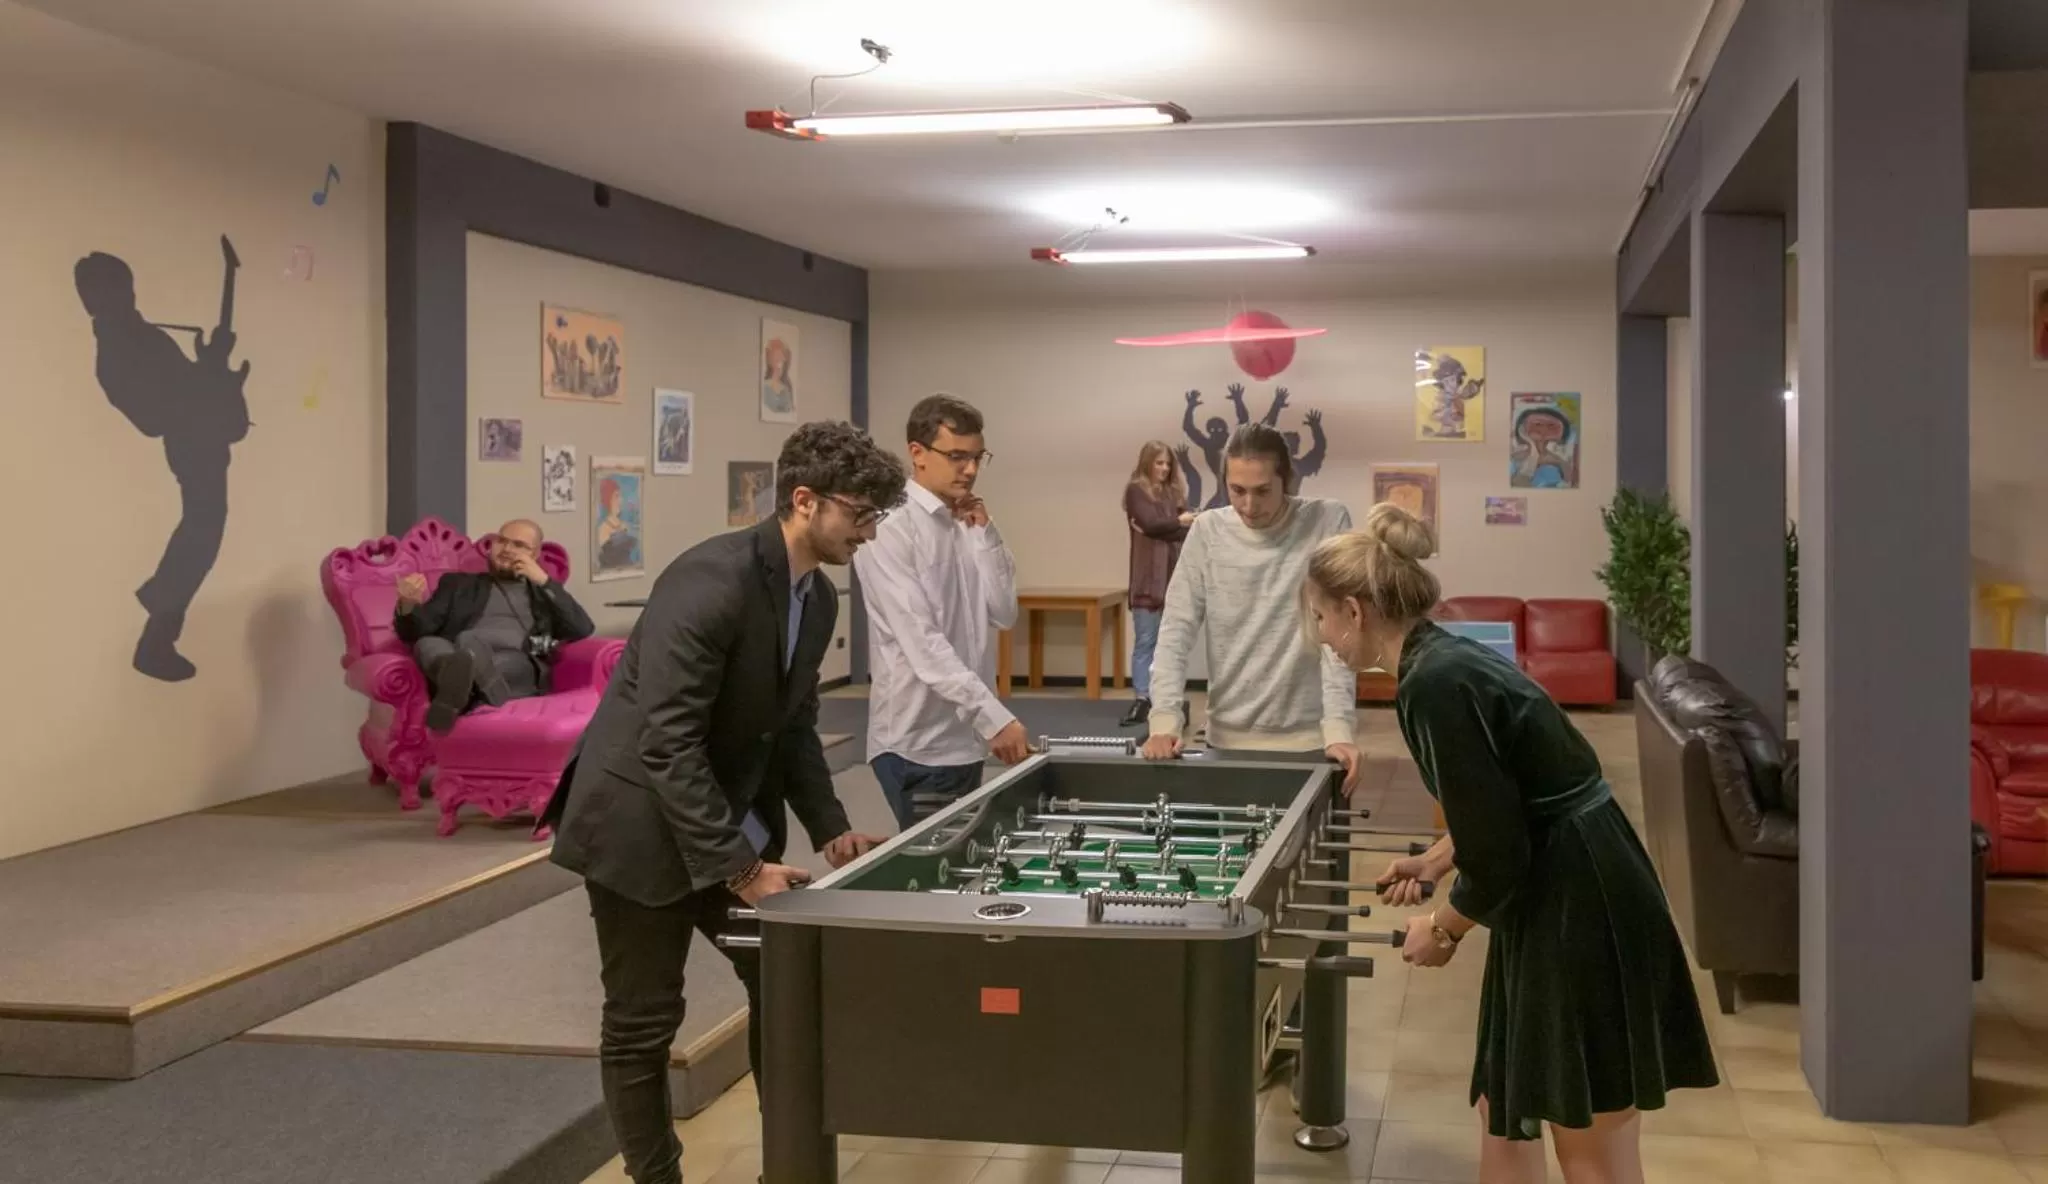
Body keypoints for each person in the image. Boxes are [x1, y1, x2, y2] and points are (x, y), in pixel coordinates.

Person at [1303, 503, 1719, 1184]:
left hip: (1578, 895)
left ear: (1353, 610)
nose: (1322, 637)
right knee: (1509, 1099)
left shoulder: (1430, 684)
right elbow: (1508, 801)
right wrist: (1438, 859)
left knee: (1588, 1135)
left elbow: (1500, 855)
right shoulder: (1441, 654)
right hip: (1573, 876)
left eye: (1320, 618)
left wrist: (1442, 927)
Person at [539, 421, 905, 1184]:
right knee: (643, 1021)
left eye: (878, 516)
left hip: (719, 816)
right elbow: (665, 743)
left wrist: (832, 831)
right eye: (861, 514)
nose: (870, 532)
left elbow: (793, 725)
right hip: (637, 824)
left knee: (783, 980)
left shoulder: (820, 599)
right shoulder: (711, 581)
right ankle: (656, 1178)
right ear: (804, 501)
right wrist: (743, 873)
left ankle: (793, 1166)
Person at [1139, 423, 1361, 793]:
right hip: (1226, 739)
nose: (1249, 506)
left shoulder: (1326, 521)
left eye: (1262, 491)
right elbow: (1175, 631)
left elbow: (1339, 637)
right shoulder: (1208, 531)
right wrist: (1164, 721)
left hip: (1310, 741)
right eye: (1237, 490)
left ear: (1287, 480)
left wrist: (1338, 728)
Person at [76, 245, 251, 683]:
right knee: (201, 532)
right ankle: (156, 636)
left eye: (126, 287)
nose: (128, 296)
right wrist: (209, 373)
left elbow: (180, 389)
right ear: (95, 299)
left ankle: (158, 631)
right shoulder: (118, 350)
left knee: (202, 532)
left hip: (201, 440)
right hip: (192, 445)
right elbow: (154, 417)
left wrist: (210, 365)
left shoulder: (137, 336)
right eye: (117, 290)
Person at [854, 394, 1027, 829]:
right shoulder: (889, 528)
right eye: (956, 457)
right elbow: (924, 643)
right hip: (919, 745)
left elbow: (1004, 613)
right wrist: (993, 718)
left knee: (960, 872)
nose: (969, 470)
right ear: (917, 454)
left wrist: (986, 534)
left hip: (966, 740)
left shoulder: (966, 522)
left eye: (976, 457)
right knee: (937, 881)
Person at [392, 518, 596, 733]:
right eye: (502, 541)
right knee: (427, 642)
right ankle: (464, 681)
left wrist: (544, 581)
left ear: (535, 555)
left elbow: (582, 628)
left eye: (518, 545)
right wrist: (407, 604)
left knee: (469, 642)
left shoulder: (542, 593)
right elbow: (415, 631)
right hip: (459, 654)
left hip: (514, 662)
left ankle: (456, 692)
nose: (507, 549)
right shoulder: (458, 584)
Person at [1121, 440, 1196, 728]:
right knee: (1146, 642)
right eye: (1159, 462)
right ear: (1147, 463)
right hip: (1147, 580)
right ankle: (1142, 697)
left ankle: (1165, 697)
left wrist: (1171, 526)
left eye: (1168, 463)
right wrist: (1178, 521)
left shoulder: (1173, 492)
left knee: (1170, 643)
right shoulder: (1136, 490)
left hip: (1172, 577)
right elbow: (1150, 525)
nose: (1164, 468)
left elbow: (1175, 533)